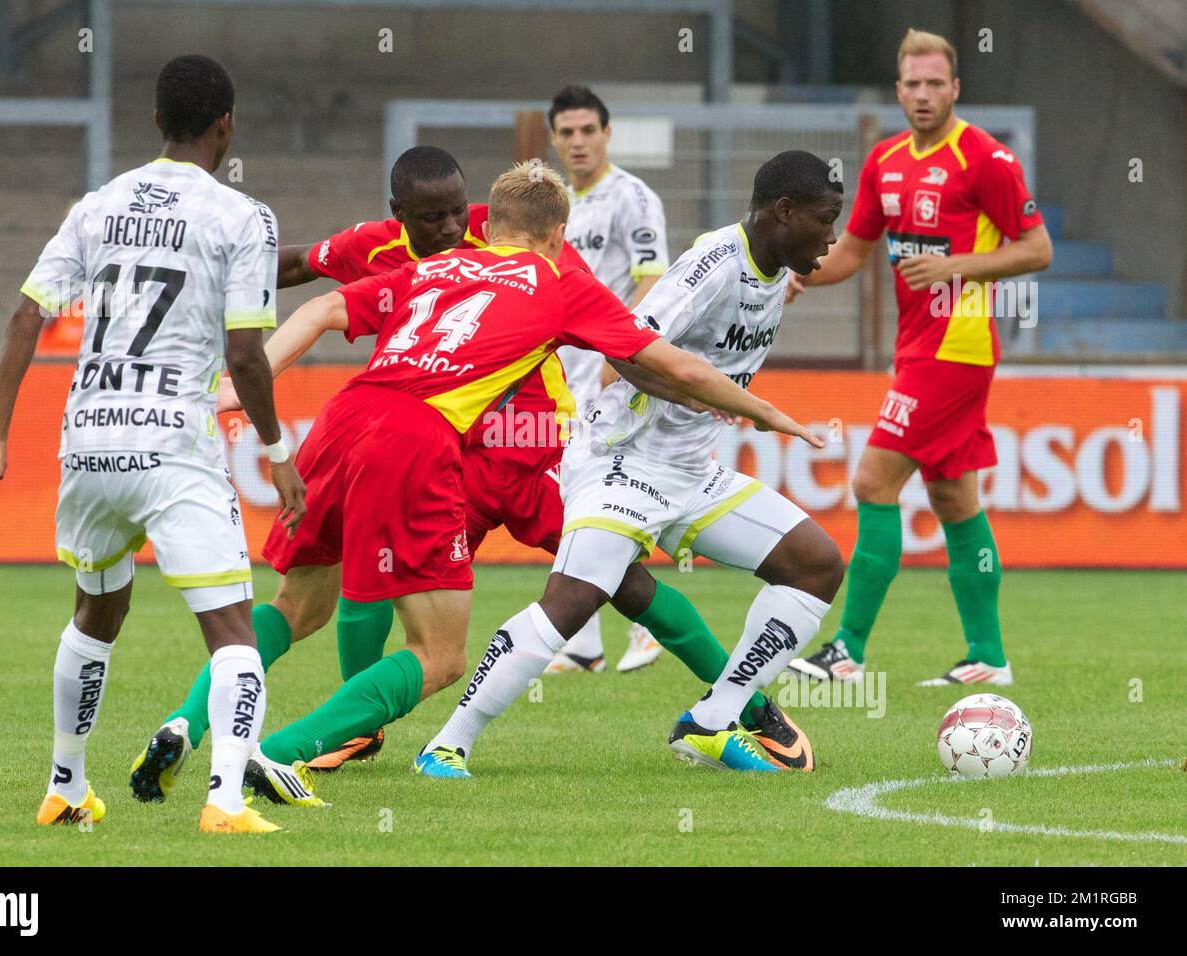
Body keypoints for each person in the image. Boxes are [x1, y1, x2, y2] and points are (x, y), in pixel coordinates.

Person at [138, 148, 809, 794]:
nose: (449, 228)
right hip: (480, 448)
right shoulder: (553, 275)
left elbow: (316, 303)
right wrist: (761, 410)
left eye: (459, 215)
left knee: (308, 599)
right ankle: (287, 750)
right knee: (484, 633)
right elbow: (663, 359)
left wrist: (237, 383)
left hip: (358, 422)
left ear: (483, 215)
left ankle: (194, 722)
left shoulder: (427, 268)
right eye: (435, 218)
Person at [0, 54, 307, 834]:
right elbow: (247, 355)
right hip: (173, 445)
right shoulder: (241, 216)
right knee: (233, 630)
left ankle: (66, 785)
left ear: (155, 122)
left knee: (96, 612)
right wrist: (279, 454)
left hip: (87, 443)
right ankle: (223, 803)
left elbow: (26, 316)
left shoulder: (98, 204)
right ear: (228, 125)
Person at [417, 150, 844, 778]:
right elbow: (627, 348)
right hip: (623, 461)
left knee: (817, 565)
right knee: (570, 604)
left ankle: (710, 722)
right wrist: (710, 396)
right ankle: (447, 744)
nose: (833, 236)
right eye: (825, 219)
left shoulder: (776, 268)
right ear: (783, 213)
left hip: (693, 473)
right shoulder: (713, 264)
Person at [787, 29, 1051, 688]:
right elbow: (849, 252)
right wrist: (795, 272)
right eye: (914, 84)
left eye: (937, 83)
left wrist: (956, 266)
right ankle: (988, 657)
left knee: (874, 481)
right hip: (917, 347)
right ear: (899, 89)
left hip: (958, 347)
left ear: (956, 88)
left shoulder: (985, 158)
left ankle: (846, 649)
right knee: (953, 496)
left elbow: (1037, 248)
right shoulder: (885, 160)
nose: (925, 94)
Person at [546, 84, 672, 673]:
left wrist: (613, 356)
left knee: (613, 500)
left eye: (587, 130)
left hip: (609, 377)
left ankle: (650, 627)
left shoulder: (633, 198)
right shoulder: (553, 205)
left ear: (607, 133)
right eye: (567, 132)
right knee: (576, 502)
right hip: (558, 378)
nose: (577, 141)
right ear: (554, 138)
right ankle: (585, 643)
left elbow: (653, 280)